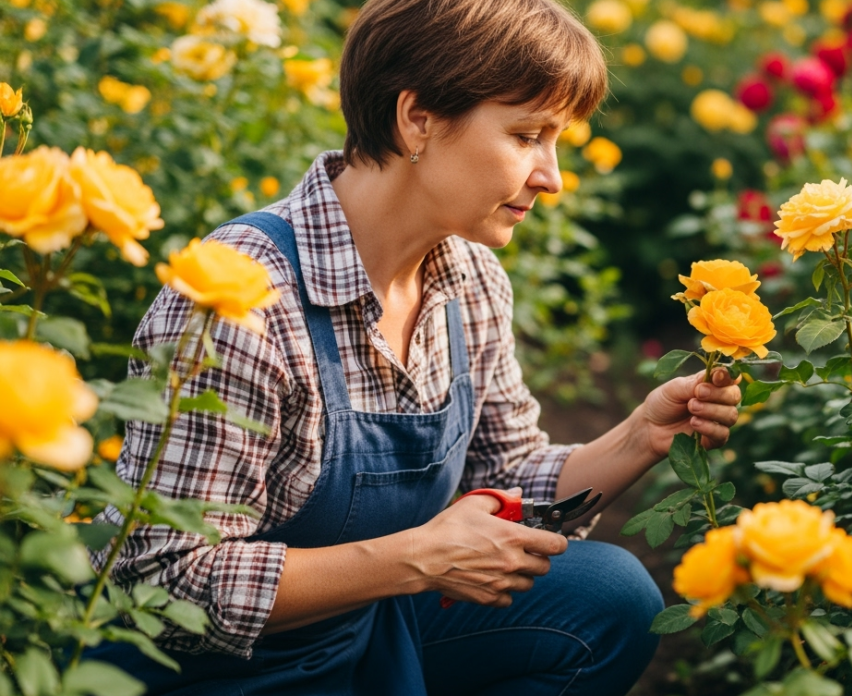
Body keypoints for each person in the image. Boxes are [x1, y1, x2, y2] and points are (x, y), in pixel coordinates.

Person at [87, 0, 742, 693]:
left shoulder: (468, 278)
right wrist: (412, 560)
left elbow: (507, 475)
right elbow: (159, 581)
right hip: (207, 670)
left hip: (362, 630)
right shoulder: (244, 296)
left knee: (609, 599)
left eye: (557, 142)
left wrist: (641, 435)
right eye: (527, 137)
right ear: (418, 119)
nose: (551, 176)